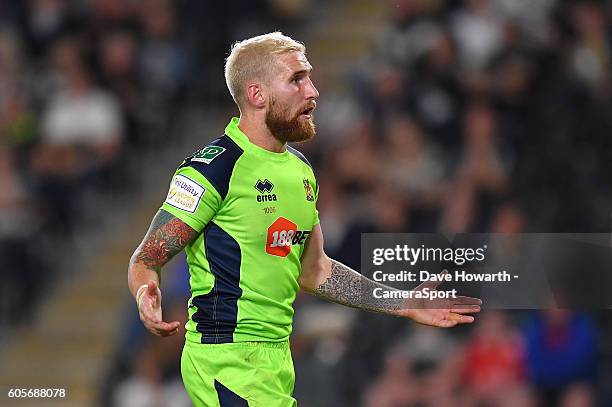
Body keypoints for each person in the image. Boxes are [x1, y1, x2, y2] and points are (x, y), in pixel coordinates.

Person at [127, 32, 481, 407]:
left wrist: (403, 303)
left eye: (308, 77)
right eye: (296, 79)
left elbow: (316, 271)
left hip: (277, 360)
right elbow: (146, 259)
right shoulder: (214, 168)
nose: (312, 91)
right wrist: (145, 293)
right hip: (226, 359)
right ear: (257, 94)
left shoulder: (300, 170)